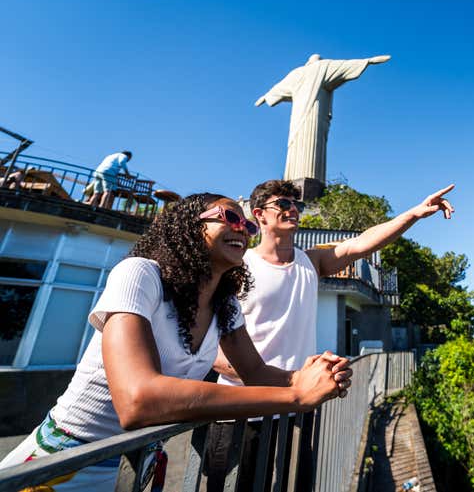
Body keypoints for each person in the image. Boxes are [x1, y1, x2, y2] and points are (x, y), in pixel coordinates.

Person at [0, 193, 351, 491]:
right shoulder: (141, 273)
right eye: (230, 217)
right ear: (190, 225)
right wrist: (295, 396)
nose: (242, 229)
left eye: (247, 225)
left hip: (135, 465)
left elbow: (256, 372)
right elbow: (137, 401)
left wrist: (306, 376)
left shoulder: (226, 304)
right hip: (63, 464)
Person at [205, 180, 454, 489]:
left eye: (296, 205)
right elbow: (210, 349)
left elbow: (362, 243)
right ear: (259, 214)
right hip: (241, 411)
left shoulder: (310, 262)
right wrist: (269, 378)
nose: (293, 210)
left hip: (296, 408)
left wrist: (414, 213)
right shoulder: (239, 267)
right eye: (283, 204)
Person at [255, 54, 391, 182]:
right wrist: (368, 61)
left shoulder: (297, 73)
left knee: (303, 143)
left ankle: (298, 179)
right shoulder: (323, 66)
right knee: (307, 142)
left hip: (301, 115)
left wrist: (265, 97)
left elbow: (278, 88)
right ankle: (305, 180)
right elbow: (344, 65)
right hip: (312, 113)